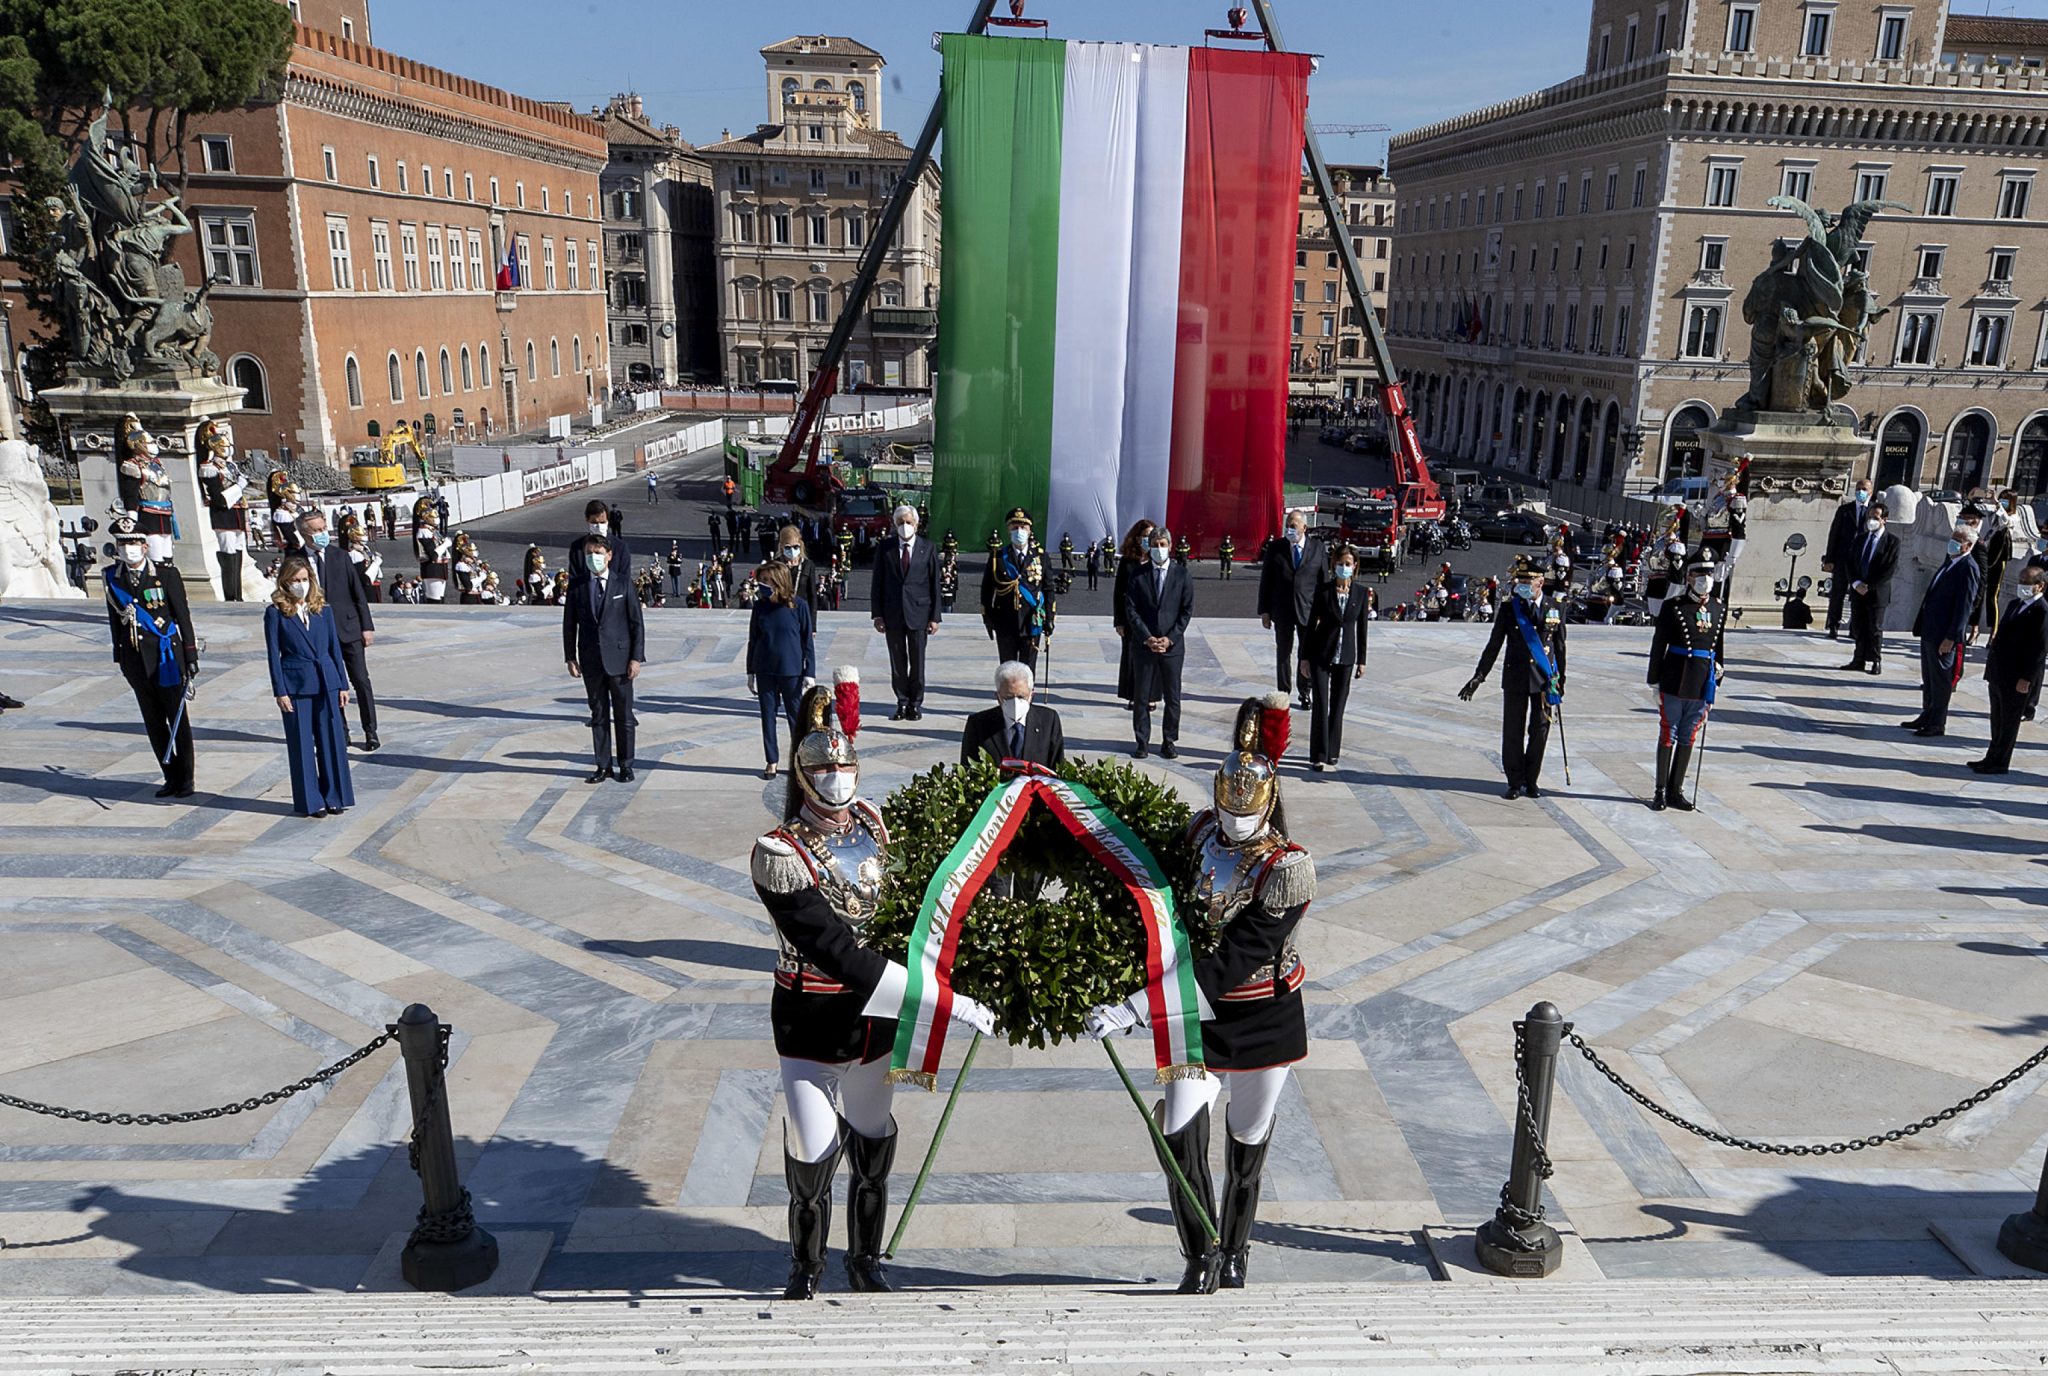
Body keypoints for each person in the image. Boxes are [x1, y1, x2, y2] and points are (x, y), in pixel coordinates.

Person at [749, 677, 995, 1298]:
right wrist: (941, 1000)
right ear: (803, 777)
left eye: (846, 765)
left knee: (871, 1138)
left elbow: (910, 910)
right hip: (813, 1016)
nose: (838, 778)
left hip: (873, 1023)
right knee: (812, 1151)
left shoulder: (874, 824)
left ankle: (865, 1259)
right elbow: (833, 950)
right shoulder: (777, 853)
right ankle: (805, 1267)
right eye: (825, 769)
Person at [1084, 694, 1315, 1294]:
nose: (1236, 813)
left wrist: (1140, 1006)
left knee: (1246, 1142)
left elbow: (1235, 962)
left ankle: (1235, 1250)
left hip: (1261, 1016)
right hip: (1198, 1025)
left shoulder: (1289, 867)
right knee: (1178, 1134)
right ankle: (1200, 1250)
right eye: (1228, 798)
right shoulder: (1199, 834)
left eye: (1250, 801)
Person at [103, 516, 199, 798]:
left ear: (144, 546)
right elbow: (114, 621)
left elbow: (182, 615)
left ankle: (186, 778)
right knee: (154, 722)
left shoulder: (166, 574)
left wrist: (190, 653)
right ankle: (169, 776)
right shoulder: (112, 577)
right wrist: (119, 657)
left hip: (165, 655)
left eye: (133, 542)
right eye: (122, 543)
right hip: (135, 659)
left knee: (176, 717)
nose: (128, 548)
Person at [1460, 560, 1568, 800]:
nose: (1522, 585)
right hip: (1516, 676)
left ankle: (1531, 780)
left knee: (1540, 730)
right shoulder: (1511, 609)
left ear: (1540, 582)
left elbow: (1560, 647)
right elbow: (1494, 645)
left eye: (1527, 581)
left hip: (1543, 679)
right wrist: (1479, 676)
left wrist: (1561, 682)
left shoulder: (1556, 607)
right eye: (1520, 581)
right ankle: (1514, 781)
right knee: (1513, 731)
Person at [263, 556, 355, 819]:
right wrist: (280, 690)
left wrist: (342, 684)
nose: (300, 585)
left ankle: (335, 796)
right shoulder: (275, 613)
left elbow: (334, 649)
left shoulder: (323, 610)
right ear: (285, 582)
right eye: (295, 580)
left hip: (326, 681)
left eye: (304, 580)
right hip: (296, 684)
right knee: (302, 744)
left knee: (331, 741)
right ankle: (311, 800)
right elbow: (273, 654)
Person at [562, 534, 645, 784]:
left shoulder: (622, 584)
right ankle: (603, 765)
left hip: (620, 660)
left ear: (609, 556)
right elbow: (569, 624)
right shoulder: (577, 585)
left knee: (624, 715)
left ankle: (626, 764)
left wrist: (636, 658)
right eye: (589, 553)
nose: (593, 558)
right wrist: (570, 657)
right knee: (598, 715)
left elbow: (636, 623)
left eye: (598, 553)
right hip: (591, 660)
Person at [1647, 552, 1726, 811]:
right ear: (1689, 577)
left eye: (1709, 574)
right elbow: (1659, 645)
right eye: (1700, 574)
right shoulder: (1674, 606)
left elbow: (1719, 646)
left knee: (1688, 735)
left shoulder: (1718, 607)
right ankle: (1659, 790)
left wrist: (1718, 680)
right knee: (1668, 733)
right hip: (1675, 677)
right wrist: (1654, 680)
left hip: (1702, 680)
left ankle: (1676, 790)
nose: (1705, 579)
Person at [300, 511, 379, 751]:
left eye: (323, 528)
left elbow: (358, 593)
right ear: (304, 533)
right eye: (315, 530)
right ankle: (341, 730)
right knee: (332, 683)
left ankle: (370, 730)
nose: (322, 533)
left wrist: (367, 626)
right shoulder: (296, 559)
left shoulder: (340, 556)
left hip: (348, 627)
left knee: (360, 680)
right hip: (319, 631)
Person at [1904, 523, 1982, 739]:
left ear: (1968, 545)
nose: (1952, 543)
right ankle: (1927, 714)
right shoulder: (1951, 562)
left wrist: (1952, 637)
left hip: (1944, 635)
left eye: (1957, 540)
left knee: (1940, 680)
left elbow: (1963, 607)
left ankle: (1937, 722)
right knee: (1929, 677)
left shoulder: (1968, 568)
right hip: (1931, 629)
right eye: (1952, 538)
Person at [1125, 525, 1192, 760]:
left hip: (1172, 647)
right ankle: (1142, 740)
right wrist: (1147, 638)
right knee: (1142, 695)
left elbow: (1186, 611)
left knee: (1173, 697)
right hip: (1145, 646)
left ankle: (1169, 740)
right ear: (1149, 547)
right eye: (1155, 545)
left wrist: (1170, 639)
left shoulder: (1182, 574)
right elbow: (1131, 609)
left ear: (1170, 547)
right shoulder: (1138, 574)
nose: (1159, 549)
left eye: (1163, 545)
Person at [1300, 544, 1369, 772]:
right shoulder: (1323, 591)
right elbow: (1311, 626)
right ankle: (1318, 753)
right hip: (1322, 653)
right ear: (1334, 565)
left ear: (1355, 566)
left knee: (1338, 705)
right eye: (1340, 564)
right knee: (1321, 702)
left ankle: (1332, 751)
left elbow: (1362, 630)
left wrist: (1362, 660)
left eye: (1348, 564)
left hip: (1346, 656)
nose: (1344, 568)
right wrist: (1304, 657)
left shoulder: (1360, 594)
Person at [871, 503, 942, 722]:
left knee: (917, 661)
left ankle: (916, 703)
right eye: (900, 523)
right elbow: (877, 583)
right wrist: (877, 614)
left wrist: (935, 616)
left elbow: (934, 584)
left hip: (919, 613)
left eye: (908, 522)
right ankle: (901, 702)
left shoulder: (927, 547)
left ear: (917, 524)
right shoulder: (886, 548)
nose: (905, 526)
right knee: (898, 662)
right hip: (893, 613)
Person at [1973, 564, 2047, 774]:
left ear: (2040, 586)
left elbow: (2039, 650)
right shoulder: (2015, 604)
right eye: (2020, 581)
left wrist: (2027, 678)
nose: (2022, 586)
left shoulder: (2042, 611)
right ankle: (1990, 756)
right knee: (1997, 718)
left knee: (2009, 722)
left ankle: (2000, 762)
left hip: (2017, 677)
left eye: (2027, 583)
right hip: (1999, 672)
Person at [747, 562, 816, 779]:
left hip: (791, 670)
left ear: (779, 581)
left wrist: (809, 672)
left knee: (795, 718)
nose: (762, 585)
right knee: (768, 716)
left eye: (766, 581)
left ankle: (799, 760)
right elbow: (753, 639)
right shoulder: (760, 607)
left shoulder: (799, 606)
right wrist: (750, 671)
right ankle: (772, 760)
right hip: (765, 669)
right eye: (762, 581)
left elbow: (807, 641)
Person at [1257, 512, 1324, 710]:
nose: (1290, 529)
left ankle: (1305, 692)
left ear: (1304, 527)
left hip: (1308, 610)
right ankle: (1283, 693)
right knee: (1283, 653)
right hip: (1282, 609)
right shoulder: (1276, 548)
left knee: (1307, 653)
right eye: (1288, 524)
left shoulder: (1317, 548)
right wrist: (1265, 610)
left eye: (1294, 525)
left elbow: (1323, 581)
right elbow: (1266, 580)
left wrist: (1323, 612)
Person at [980, 507, 1055, 672]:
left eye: (1023, 527)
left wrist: (1050, 617)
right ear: (1008, 529)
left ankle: (1027, 698)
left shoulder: (1041, 557)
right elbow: (987, 590)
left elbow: (1049, 589)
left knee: (1028, 669)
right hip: (1005, 621)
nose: (1019, 531)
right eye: (1014, 527)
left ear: (1029, 530)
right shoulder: (997, 557)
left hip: (1031, 621)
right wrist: (988, 618)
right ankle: (1008, 698)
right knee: (1007, 669)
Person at [960, 660, 1065, 769]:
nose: (1015, 703)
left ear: (1031, 695)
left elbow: (1057, 767)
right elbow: (967, 767)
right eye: (1008, 697)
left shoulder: (1048, 720)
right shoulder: (978, 724)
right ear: (998, 697)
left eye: (1021, 697)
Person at [1842, 498, 1898, 675]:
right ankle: (1858, 659)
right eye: (1870, 517)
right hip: (1858, 590)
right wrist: (1856, 583)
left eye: (1876, 517)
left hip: (1877, 593)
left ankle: (1875, 660)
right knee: (1858, 626)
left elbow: (1889, 568)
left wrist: (1869, 585)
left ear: (1884, 520)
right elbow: (1850, 562)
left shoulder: (1892, 542)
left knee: (1874, 628)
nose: (1871, 520)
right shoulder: (1860, 539)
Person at [195, 419, 249, 600]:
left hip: (238, 513)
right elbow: (219, 498)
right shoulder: (209, 469)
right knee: (228, 553)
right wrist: (239, 487)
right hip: (224, 515)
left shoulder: (230, 466)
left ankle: (238, 593)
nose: (228, 449)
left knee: (239, 550)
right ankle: (231, 594)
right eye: (223, 446)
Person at [1823, 479, 1874, 640]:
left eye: (1864, 489)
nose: (1861, 491)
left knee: (1858, 596)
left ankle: (1855, 628)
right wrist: (1829, 559)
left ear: (1870, 492)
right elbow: (1834, 535)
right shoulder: (1845, 510)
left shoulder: (1874, 511)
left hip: (1862, 562)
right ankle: (1833, 625)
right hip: (1842, 559)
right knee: (1837, 593)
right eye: (1858, 489)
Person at [1113, 519, 1156, 704]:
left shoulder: (1158, 560)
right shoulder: (1128, 561)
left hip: (1153, 617)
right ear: (1137, 538)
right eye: (1145, 536)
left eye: (1151, 536)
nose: (1147, 540)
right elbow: (1118, 591)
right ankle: (1133, 695)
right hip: (1131, 617)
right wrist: (1119, 621)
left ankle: (1152, 696)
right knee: (1131, 656)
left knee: (1153, 656)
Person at [1973, 493, 2016, 639]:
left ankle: (1993, 631)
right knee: (1979, 592)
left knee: (1992, 596)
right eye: (2001, 498)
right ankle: (1974, 628)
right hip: (1986, 555)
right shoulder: (1992, 514)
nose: (2002, 502)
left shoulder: (2012, 516)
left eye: (2005, 499)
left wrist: (1998, 505)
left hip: (1998, 559)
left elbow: (2006, 521)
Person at [569, 498, 626, 587]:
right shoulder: (577, 548)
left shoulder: (620, 547)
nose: (599, 527)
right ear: (587, 520)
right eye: (595, 523)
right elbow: (574, 581)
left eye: (602, 522)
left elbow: (625, 580)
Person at [412, 496, 450, 604]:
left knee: (441, 598)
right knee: (435, 599)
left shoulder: (432, 530)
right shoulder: (424, 531)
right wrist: (445, 545)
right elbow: (433, 554)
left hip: (440, 567)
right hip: (432, 568)